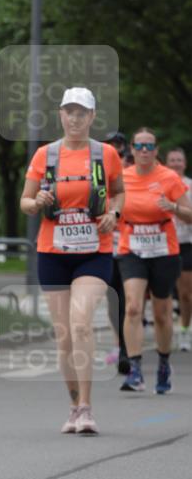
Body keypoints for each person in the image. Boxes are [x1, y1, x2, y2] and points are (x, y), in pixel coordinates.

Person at [20, 88, 124, 436]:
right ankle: (74, 405)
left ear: (92, 116)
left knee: (80, 323)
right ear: (61, 115)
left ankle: (88, 408)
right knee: (64, 336)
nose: (75, 118)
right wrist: (37, 202)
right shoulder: (45, 155)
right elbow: (25, 201)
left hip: (93, 252)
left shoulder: (106, 154)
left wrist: (114, 213)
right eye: (70, 112)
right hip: (53, 253)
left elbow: (119, 192)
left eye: (82, 112)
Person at [117, 130, 192, 393]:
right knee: (133, 307)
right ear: (132, 150)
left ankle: (163, 363)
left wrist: (174, 208)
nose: (144, 150)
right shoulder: (122, 177)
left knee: (161, 313)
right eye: (139, 146)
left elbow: (190, 215)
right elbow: (110, 208)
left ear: (156, 150)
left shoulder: (169, 178)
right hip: (132, 248)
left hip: (163, 250)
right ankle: (135, 369)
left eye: (149, 146)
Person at [103, 132, 131, 374]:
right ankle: (120, 343)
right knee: (113, 302)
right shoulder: (97, 172)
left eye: (118, 146)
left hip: (130, 248)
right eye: (110, 145)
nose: (114, 150)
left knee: (129, 301)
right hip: (106, 247)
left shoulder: (131, 170)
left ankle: (127, 348)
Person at [165, 147, 192, 351]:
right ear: (167, 164)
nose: (175, 163)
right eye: (172, 160)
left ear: (184, 163)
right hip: (162, 243)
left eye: (179, 160)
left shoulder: (190, 185)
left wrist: (176, 209)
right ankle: (164, 330)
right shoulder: (159, 183)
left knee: (186, 294)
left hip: (186, 243)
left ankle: (184, 329)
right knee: (162, 292)